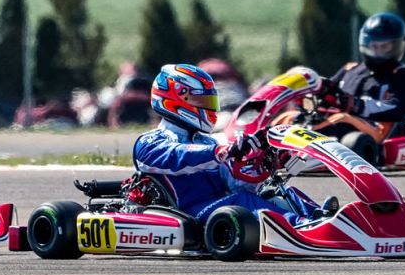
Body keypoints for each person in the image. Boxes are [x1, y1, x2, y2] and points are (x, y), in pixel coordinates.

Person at [133, 63, 332, 226]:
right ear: (173, 99)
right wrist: (222, 151)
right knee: (244, 202)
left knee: (278, 191)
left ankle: (323, 219)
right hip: (191, 212)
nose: (207, 107)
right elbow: (178, 156)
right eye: (199, 100)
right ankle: (301, 226)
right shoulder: (150, 142)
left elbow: (235, 183)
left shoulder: (206, 142)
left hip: (221, 205)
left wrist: (261, 163)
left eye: (209, 101)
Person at [318, 11, 405, 139]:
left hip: (377, 132)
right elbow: (330, 92)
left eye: (384, 47)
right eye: (374, 46)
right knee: (291, 117)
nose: (378, 51)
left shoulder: (404, 76)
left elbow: (396, 109)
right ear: (366, 44)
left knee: (342, 120)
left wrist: (357, 105)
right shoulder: (351, 69)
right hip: (338, 123)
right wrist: (319, 89)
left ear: (397, 46)